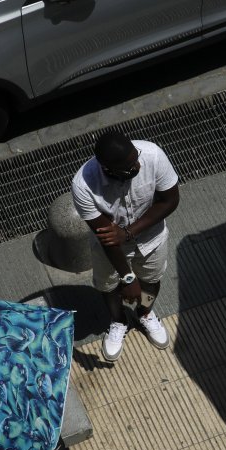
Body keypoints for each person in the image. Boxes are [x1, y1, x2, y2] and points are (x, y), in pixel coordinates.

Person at [73, 131, 180, 361]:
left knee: (151, 280)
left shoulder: (153, 156)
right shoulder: (83, 186)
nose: (138, 166)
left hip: (152, 238)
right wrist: (128, 278)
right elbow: (107, 238)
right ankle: (119, 320)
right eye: (129, 167)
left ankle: (145, 313)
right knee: (109, 286)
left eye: (136, 158)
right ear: (108, 169)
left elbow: (170, 201)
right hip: (109, 249)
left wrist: (128, 232)